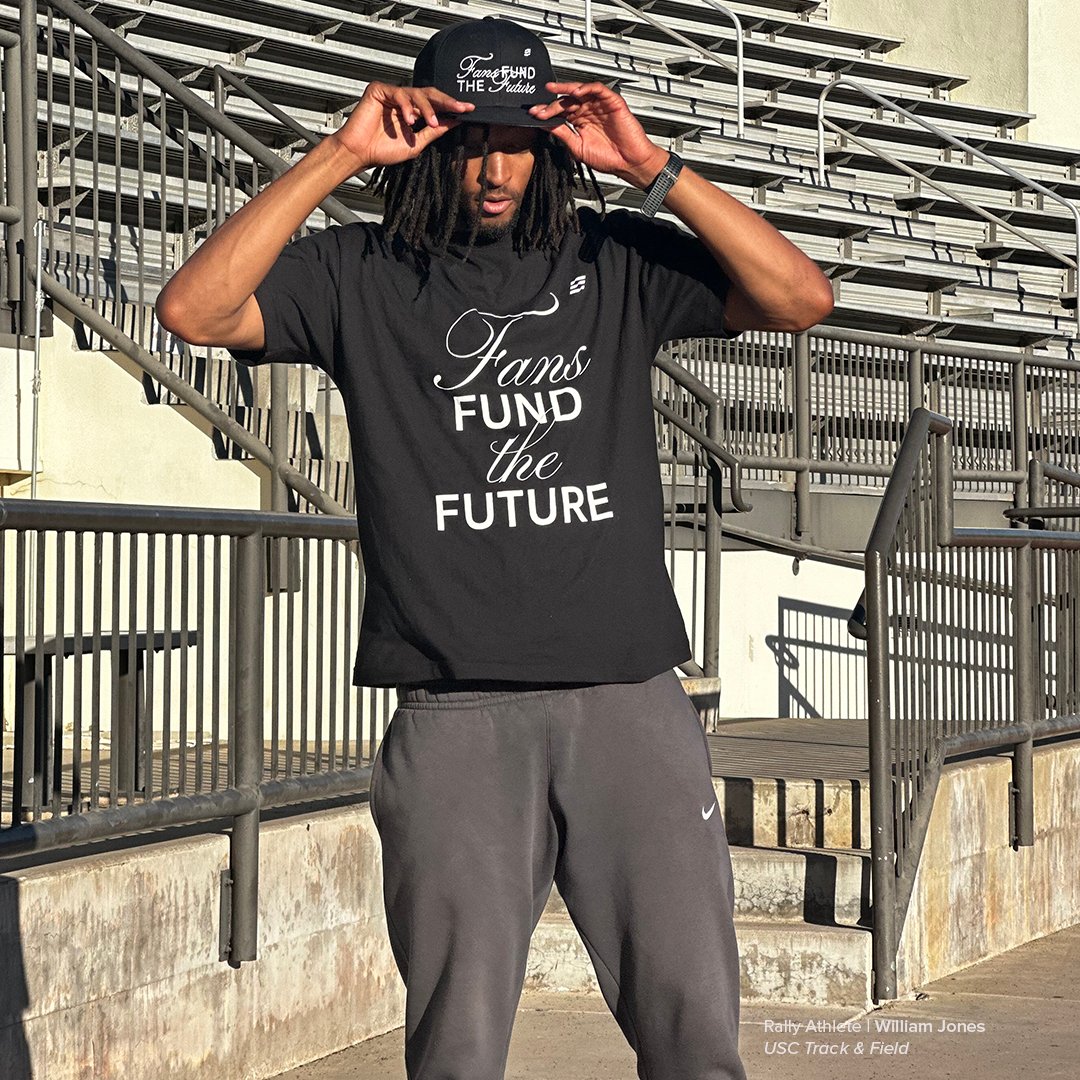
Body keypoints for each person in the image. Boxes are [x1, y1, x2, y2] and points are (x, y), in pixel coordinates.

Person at [156, 16, 833, 1080]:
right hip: (454, 710)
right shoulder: (355, 273)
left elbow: (802, 300)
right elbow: (192, 312)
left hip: (628, 701)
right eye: (471, 139)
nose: (496, 166)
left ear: (551, 147)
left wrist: (653, 167)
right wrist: (338, 154)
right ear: (429, 137)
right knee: (457, 1053)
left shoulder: (617, 258)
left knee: (697, 1041)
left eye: (519, 140)